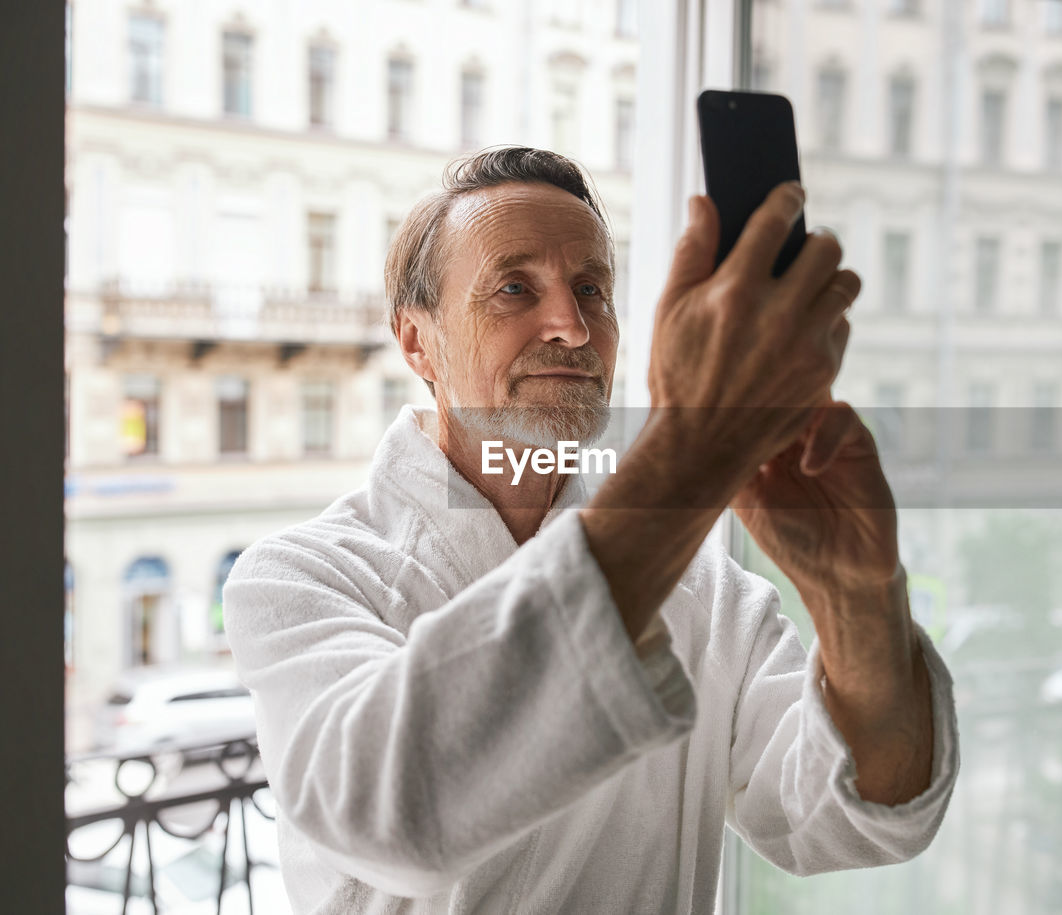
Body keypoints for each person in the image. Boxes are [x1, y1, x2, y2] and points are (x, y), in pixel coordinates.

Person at [223, 147, 959, 913]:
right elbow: (394, 811)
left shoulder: (705, 594)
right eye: (514, 288)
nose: (572, 327)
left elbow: (853, 819)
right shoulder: (298, 580)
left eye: (592, 290)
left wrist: (859, 595)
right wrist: (697, 448)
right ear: (417, 342)